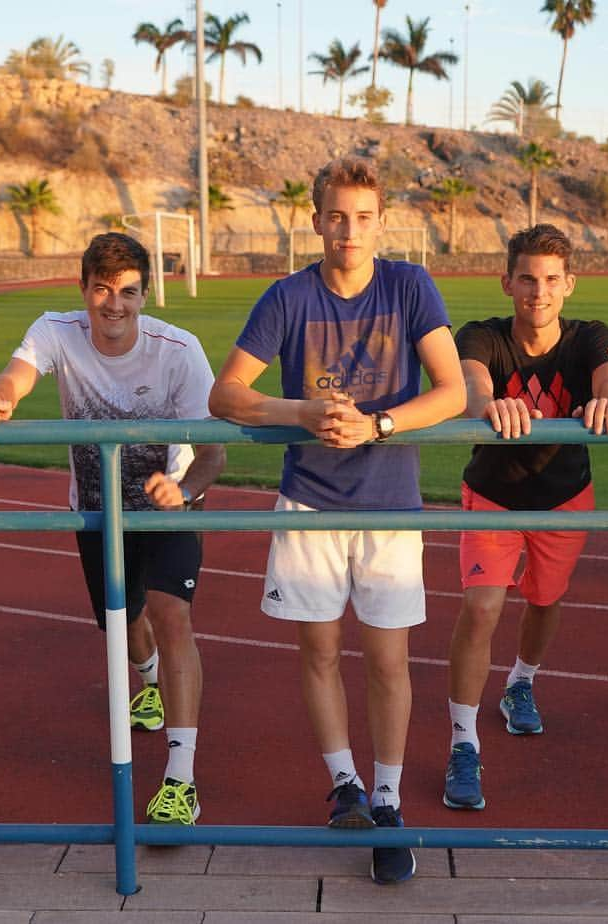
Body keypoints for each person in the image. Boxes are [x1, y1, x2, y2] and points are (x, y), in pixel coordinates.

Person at [208, 156, 466, 884]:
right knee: (319, 653)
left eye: (362, 218)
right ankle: (344, 783)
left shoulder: (410, 285)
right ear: (316, 220)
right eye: (336, 217)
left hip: (389, 502)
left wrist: (378, 424)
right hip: (309, 500)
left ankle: (388, 799)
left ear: (381, 223)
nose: (348, 231)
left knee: (388, 661)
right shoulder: (287, 297)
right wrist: (303, 413)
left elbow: (450, 392)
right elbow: (225, 395)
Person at [0, 232, 225, 825]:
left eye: (128, 292)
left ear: (145, 295)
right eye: (102, 289)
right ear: (83, 289)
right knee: (122, 624)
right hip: (98, 509)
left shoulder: (178, 351)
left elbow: (214, 454)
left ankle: (181, 778)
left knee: (173, 619)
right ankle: (149, 682)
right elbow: (16, 377)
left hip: (170, 507)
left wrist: (184, 490)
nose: (114, 304)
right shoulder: (57, 331)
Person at [442, 224, 608, 812]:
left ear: (568, 285)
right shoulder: (481, 335)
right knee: (482, 607)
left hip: (565, 497)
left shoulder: (591, 337)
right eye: (527, 278)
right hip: (495, 495)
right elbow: (470, 385)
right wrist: (488, 402)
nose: (538, 292)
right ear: (507, 282)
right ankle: (463, 742)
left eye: (550, 280)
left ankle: (521, 680)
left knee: (544, 601)